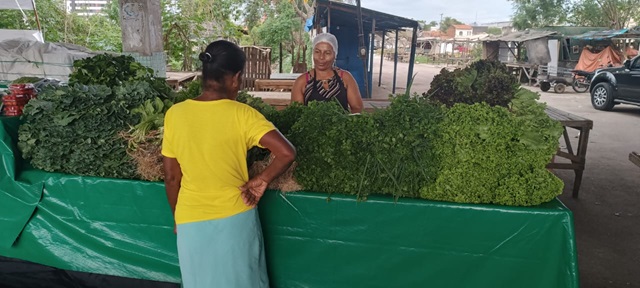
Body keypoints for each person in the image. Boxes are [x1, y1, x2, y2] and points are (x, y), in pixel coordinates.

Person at [162, 40, 296, 288]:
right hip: (235, 217)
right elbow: (286, 152)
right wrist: (262, 180)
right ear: (236, 78)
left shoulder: (175, 114)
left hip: (190, 219)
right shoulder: (243, 114)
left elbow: (171, 178)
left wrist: (178, 218)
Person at [291, 33, 364, 113]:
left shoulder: (345, 78)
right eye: (317, 52)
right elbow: (296, 113)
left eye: (327, 53)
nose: (321, 57)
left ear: (335, 55)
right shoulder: (302, 81)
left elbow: (357, 108)